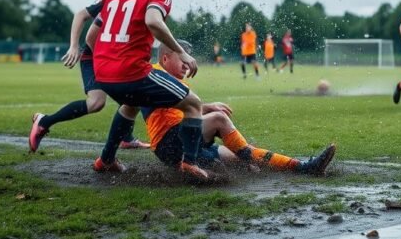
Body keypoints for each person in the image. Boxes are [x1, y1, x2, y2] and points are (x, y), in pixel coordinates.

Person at [91, 0, 212, 181]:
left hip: (103, 74)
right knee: (193, 104)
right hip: (130, 71)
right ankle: (189, 163)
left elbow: (91, 35)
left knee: (131, 104)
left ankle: (106, 159)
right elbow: (153, 22)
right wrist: (181, 52)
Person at [143, 41, 336, 175]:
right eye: (182, 60)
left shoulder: (171, 80)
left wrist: (206, 106)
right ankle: (302, 167)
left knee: (245, 162)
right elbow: (169, 107)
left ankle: (302, 167)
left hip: (184, 139)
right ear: (166, 59)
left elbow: (176, 109)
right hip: (170, 142)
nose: (188, 65)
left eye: (189, 60)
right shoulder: (157, 74)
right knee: (219, 119)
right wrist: (209, 108)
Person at [28, 0, 149, 153]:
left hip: (111, 58)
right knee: (97, 102)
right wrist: (74, 46)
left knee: (133, 95)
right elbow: (83, 19)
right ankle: (44, 121)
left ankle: (126, 138)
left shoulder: (143, 4)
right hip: (94, 57)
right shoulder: (117, 1)